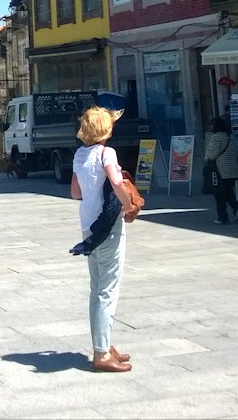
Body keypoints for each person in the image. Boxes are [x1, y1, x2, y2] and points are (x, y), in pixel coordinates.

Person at [71, 106, 135, 373]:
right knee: (108, 289)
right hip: (108, 226)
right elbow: (117, 181)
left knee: (97, 287)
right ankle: (101, 353)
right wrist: (129, 206)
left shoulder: (78, 154)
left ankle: (104, 344)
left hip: (88, 226)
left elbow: (75, 192)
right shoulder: (107, 153)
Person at [205, 116, 238, 226]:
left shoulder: (216, 137)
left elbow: (211, 155)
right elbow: (236, 152)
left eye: (212, 124)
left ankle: (223, 217)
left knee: (219, 195)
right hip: (232, 171)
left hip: (220, 171)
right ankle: (237, 209)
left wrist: (206, 157)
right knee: (228, 192)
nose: (211, 126)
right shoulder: (230, 137)